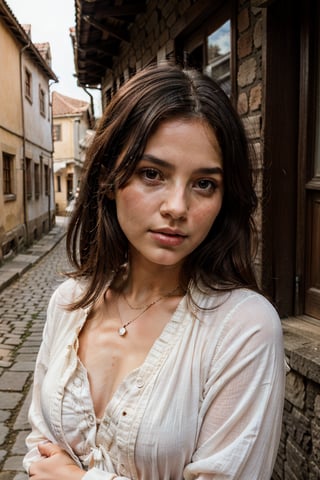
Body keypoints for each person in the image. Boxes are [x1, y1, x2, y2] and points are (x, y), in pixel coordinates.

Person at [23, 62, 285, 480]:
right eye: (152, 174)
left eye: (204, 184)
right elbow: (39, 451)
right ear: (108, 179)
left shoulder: (244, 329)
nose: (177, 207)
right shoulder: (70, 303)